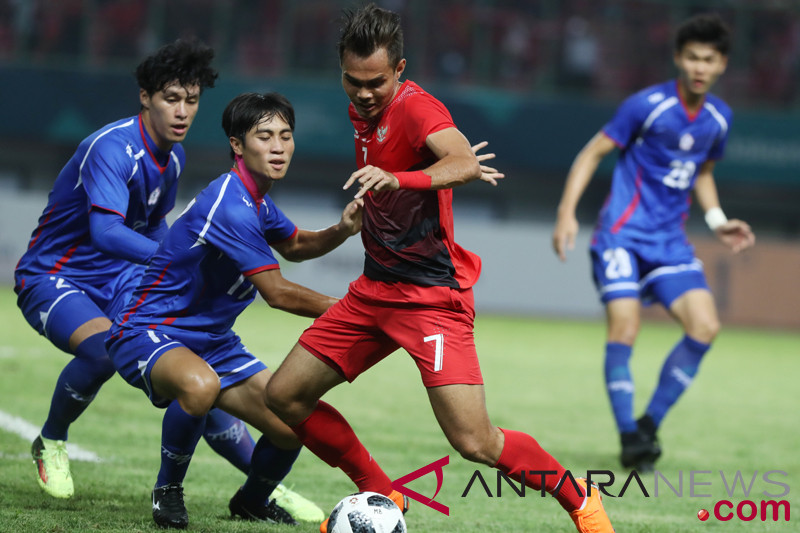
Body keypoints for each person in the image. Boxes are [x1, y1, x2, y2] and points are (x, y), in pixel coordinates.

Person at [264, 4, 615, 533]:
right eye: (352, 80)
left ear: (400, 72)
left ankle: (579, 498)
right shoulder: (363, 108)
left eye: (376, 82)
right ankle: (382, 494)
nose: (363, 93)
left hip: (431, 300)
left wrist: (398, 179)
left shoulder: (415, 106)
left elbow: (463, 161)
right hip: (372, 292)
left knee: (476, 442)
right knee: (284, 395)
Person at [13, 38, 322, 523]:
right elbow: (107, 231)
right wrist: (176, 258)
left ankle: (265, 489)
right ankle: (51, 440)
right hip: (55, 273)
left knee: (200, 379)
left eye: (192, 100)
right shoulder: (112, 147)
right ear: (145, 97)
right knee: (102, 348)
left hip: (122, 278)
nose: (182, 112)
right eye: (171, 98)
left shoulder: (172, 159)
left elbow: (157, 227)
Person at [105, 91, 364, 529]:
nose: (278, 146)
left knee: (291, 420)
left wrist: (343, 228)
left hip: (214, 342)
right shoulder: (231, 204)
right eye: (264, 136)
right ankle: (167, 491)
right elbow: (277, 293)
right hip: (150, 331)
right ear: (237, 145)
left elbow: (297, 245)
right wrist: (354, 312)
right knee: (201, 386)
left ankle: (251, 501)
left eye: (286, 135)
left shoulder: (256, 201)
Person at [551, 13, 755, 472]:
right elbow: (591, 153)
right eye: (692, 58)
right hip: (620, 237)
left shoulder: (720, 118)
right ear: (678, 59)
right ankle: (628, 436)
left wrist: (717, 218)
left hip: (670, 243)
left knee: (705, 327)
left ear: (722, 64)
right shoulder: (646, 105)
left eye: (709, 59)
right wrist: (566, 213)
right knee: (625, 328)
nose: (700, 67)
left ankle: (647, 425)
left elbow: (701, 169)